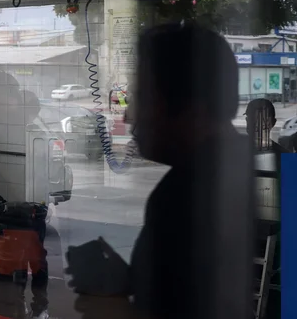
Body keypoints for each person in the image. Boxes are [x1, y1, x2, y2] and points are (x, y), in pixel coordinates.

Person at [66, 23, 253, 319]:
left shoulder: (187, 196)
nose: (128, 115)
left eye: (141, 98)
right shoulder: (236, 165)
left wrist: (111, 306)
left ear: (192, 106)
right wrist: (130, 280)